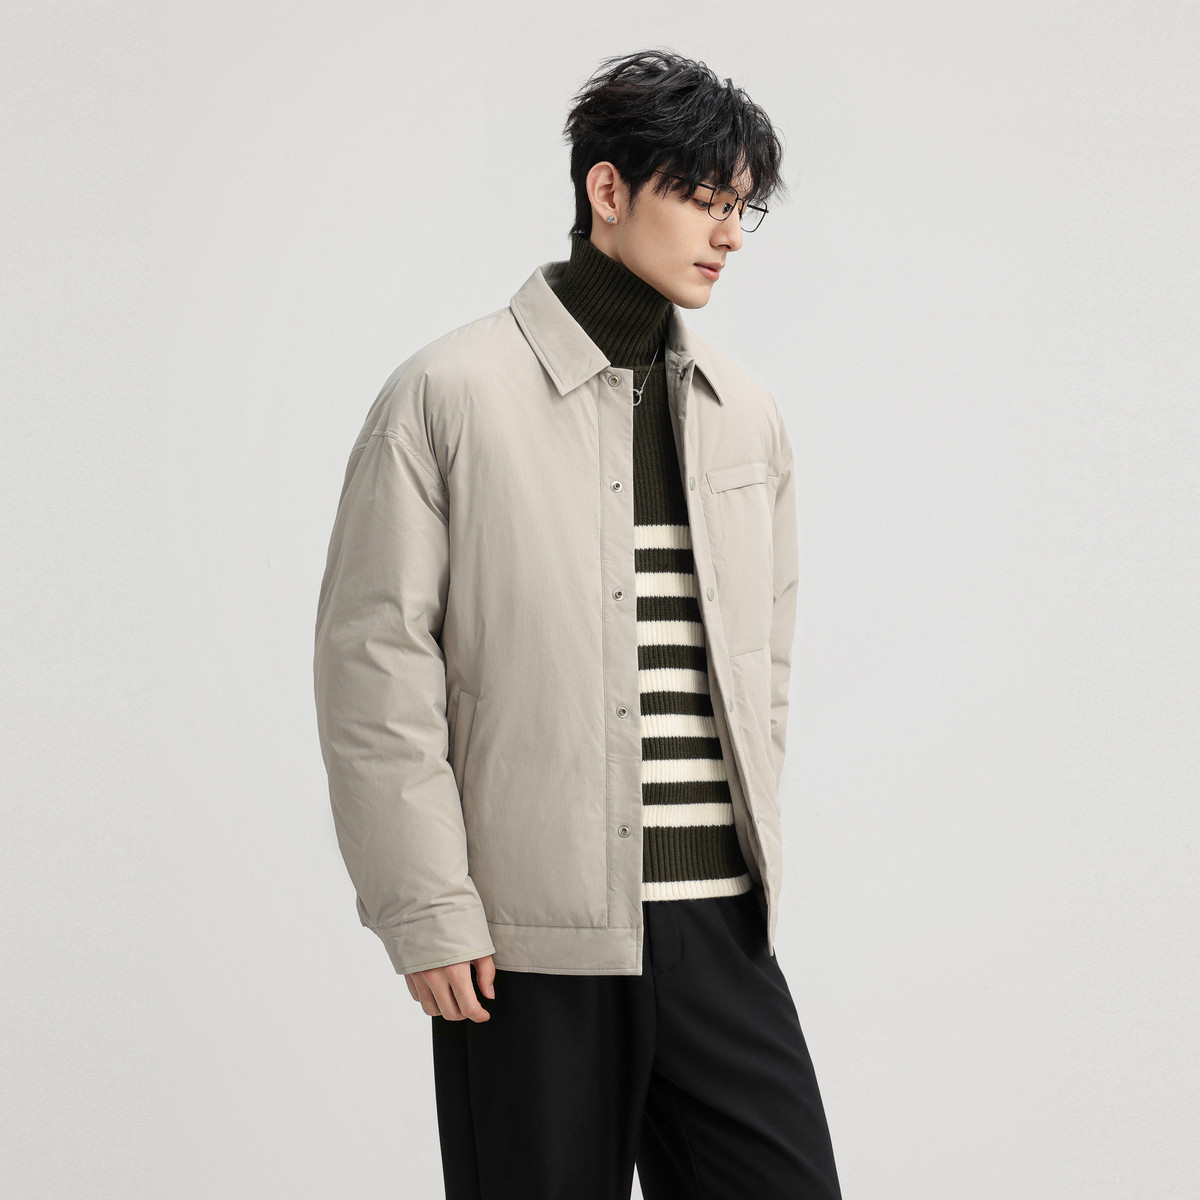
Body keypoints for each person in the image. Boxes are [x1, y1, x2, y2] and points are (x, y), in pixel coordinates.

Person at [313, 48, 843, 1200]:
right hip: (529, 945)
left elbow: (764, 665)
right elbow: (375, 672)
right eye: (701, 199)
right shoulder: (446, 395)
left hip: (716, 928)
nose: (729, 234)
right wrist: (428, 908)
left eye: (741, 206)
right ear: (608, 190)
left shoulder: (746, 415)